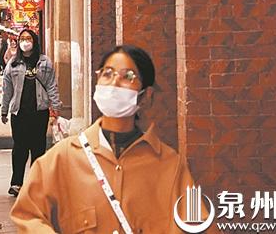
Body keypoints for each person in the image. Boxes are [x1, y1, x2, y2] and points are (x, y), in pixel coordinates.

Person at [10, 44, 203, 233]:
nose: (114, 83)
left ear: (146, 95)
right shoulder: (62, 159)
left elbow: (195, 225)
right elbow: (28, 214)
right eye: (107, 73)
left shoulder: (170, 166)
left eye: (128, 76)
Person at [1, 27, 61, 197]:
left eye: (28, 39)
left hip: (39, 111)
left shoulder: (45, 62)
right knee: (19, 147)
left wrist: (55, 106)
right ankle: (16, 183)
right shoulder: (13, 63)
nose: (25, 42)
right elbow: (7, 89)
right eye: (22, 39)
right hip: (19, 112)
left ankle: (36, 183)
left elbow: (51, 85)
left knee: (38, 147)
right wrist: (4, 110)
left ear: (34, 41)